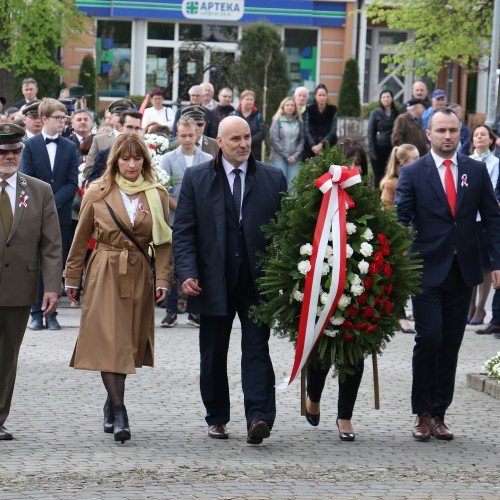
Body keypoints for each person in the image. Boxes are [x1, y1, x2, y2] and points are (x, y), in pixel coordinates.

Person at [173, 116, 287, 444]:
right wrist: (187, 272)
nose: (243, 144)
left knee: (256, 349)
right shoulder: (197, 178)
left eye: (247, 137)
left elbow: (285, 231)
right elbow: (183, 231)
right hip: (212, 279)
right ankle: (217, 417)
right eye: (235, 138)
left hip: (257, 281)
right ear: (218, 142)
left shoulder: (272, 177)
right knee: (213, 352)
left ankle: (259, 417)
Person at [395, 107, 500, 441]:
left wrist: (496, 262)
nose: (447, 136)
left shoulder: (476, 171)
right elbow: (401, 219)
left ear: (460, 134)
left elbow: (493, 219)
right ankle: (422, 413)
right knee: (429, 338)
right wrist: (391, 259)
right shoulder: (413, 173)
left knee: (452, 343)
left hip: (464, 270)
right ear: (428, 134)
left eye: (453, 131)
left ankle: (440, 413)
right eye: (440, 131)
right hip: (425, 268)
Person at [64, 133, 174, 444]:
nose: (131, 164)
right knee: (110, 341)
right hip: (104, 269)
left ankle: (111, 402)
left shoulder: (156, 194)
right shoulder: (97, 192)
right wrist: (72, 277)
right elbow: (80, 236)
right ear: (115, 160)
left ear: (145, 160)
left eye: (137, 158)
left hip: (139, 271)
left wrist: (164, 279)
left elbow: (164, 243)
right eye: (125, 158)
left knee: (126, 342)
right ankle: (120, 409)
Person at [0, 123, 62, 440]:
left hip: (19, 288)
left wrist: (52, 287)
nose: (9, 157)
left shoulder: (38, 191)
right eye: (3, 152)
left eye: (14, 151)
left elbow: (51, 244)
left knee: (7, 355)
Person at [20, 97, 80, 331]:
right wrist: (43, 204)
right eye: (58, 118)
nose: (62, 122)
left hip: (61, 214)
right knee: (35, 264)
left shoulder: (69, 146)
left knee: (55, 263)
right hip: (34, 214)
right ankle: (36, 313)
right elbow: (26, 178)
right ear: (44, 119)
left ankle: (52, 314)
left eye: (64, 118)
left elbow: (71, 182)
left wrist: (53, 202)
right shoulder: (31, 146)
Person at [159, 116, 212, 328]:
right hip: (175, 216)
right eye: (183, 135)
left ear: (197, 135)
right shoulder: (168, 158)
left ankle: (195, 311)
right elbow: (164, 190)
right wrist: (182, 211)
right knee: (172, 262)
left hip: (200, 218)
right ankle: (171, 310)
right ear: (177, 135)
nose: (187, 139)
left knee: (197, 263)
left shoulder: (207, 158)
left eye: (191, 135)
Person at [380, 144, 420, 333]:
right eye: (415, 158)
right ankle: (400, 316)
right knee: (399, 277)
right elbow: (387, 211)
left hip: (415, 236)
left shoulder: (419, 179)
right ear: (403, 163)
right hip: (401, 237)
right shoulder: (391, 184)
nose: (420, 161)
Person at [467, 124, 500, 326]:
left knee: (486, 266)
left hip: (487, 217)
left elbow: (495, 190)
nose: (480, 138)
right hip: (469, 218)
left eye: (484, 135)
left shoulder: (496, 162)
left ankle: (480, 309)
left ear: (490, 139)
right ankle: (469, 307)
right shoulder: (466, 161)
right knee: (470, 263)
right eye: (476, 135)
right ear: (472, 140)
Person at [86, 110, 143, 185]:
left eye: (137, 128)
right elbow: (92, 184)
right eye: (129, 127)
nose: (133, 132)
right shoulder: (105, 154)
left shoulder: (144, 153)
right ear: (120, 127)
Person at [84, 99, 135, 178]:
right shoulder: (99, 140)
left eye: (125, 115)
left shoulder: (141, 140)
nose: (122, 118)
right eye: (118, 115)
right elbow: (88, 169)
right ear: (111, 119)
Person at [368, 90, 399, 187]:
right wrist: (372, 151)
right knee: (379, 176)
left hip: (392, 148)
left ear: (392, 98)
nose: (386, 99)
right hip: (378, 148)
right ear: (380, 100)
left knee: (391, 174)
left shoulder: (396, 113)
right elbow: (370, 133)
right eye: (383, 97)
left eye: (388, 97)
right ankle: (377, 199)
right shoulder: (375, 113)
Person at [269, 97, 304, 184]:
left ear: (295, 108)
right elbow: (274, 140)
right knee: (279, 184)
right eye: (287, 105)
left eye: (292, 105)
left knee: (293, 186)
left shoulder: (299, 122)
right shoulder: (277, 121)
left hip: (295, 159)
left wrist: (295, 156)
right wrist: (287, 155)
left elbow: (302, 140)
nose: (290, 107)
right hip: (279, 158)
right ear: (283, 107)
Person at [302, 84, 338, 160]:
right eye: (320, 95)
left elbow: (333, 130)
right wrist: (313, 145)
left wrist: (321, 144)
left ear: (327, 96)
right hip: (310, 148)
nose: (322, 97)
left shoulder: (332, 110)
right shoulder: (309, 109)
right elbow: (306, 130)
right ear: (315, 96)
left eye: (324, 95)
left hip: (328, 147)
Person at [231, 90, 266, 161]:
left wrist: (249, 141)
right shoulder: (233, 114)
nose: (249, 101)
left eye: (251, 99)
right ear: (241, 100)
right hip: (236, 151)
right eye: (247, 99)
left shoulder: (258, 116)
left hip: (254, 153)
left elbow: (262, 133)